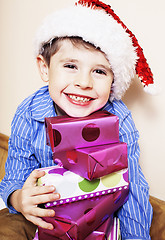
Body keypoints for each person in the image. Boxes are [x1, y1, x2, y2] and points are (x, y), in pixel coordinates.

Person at [0, 0, 155, 239]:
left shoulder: (119, 118)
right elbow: (14, 176)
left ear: (113, 80)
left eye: (99, 71)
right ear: (45, 68)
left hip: (101, 222)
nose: (84, 83)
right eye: (71, 66)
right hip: (50, 220)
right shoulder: (29, 111)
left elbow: (133, 189)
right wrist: (19, 199)